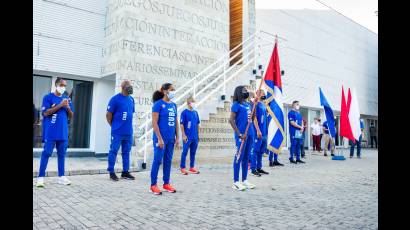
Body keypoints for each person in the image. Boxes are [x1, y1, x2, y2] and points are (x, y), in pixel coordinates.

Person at [36, 78, 74, 187]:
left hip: (62, 132)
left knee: (62, 155)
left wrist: (67, 107)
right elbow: (45, 113)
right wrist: (60, 105)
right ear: (56, 84)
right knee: (46, 153)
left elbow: (71, 115)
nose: (63, 87)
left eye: (65, 86)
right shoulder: (48, 97)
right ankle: (40, 178)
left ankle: (61, 177)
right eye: (61, 85)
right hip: (51, 132)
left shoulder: (67, 99)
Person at [150, 83, 180, 195]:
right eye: (172, 90)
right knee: (157, 161)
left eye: (174, 89)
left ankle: (166, 184)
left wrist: (178, 137)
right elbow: (154, 123)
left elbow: (176, 122)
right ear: (165, 91)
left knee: (168, 161)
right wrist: (159, 139)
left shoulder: (173, 105)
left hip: (171, 139)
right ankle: (153, 185)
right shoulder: (158, 104)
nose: (173, 92)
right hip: (160, 139)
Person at [106, 80, 136, 181]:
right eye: (128, 85)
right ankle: (111, 172)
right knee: (113, 151)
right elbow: (108, 114)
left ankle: (125, 172)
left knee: (126, 152)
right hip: (117, 131)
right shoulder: (115, 99)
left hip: (128, 132)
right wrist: (113, 126)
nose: (130, 87)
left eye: (130, 85)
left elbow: (131, 113)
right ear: (123, 87)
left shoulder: (131, 99)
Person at [229, 85, 256, 191]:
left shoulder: (248, 104)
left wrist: (254, 106)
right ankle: (236, 181)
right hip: (242, 135)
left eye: (247, 90)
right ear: (239, 92)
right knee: (239, 157)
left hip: (250, 133)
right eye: (245, 90)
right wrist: (239, 133)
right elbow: (231, 120)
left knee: (246, 157)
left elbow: (252, 118)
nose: (247, 92)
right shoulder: (236, 105)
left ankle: (244, 179)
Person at [250, 89, 269, 176]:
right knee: (255, 150)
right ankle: (253, 168)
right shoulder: (255, 105)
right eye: (263, 94)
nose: (264, 95)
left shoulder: (263, 104)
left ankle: (259, 167)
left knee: (261, 151)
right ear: (258, 94)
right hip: (258, 132)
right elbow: (254, 118)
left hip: (264, 132)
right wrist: (258, 130)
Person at [180, 96, 200, 175]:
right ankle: (182, 168)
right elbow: (181, 124)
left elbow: (197, 124)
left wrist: (198, 135)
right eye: (193, 102)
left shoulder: (195, 112)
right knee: (184, 152)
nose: (194, 104)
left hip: (194, 136)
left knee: (193, 152)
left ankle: (191, 167)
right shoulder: (184, 112)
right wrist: (184, 135)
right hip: (187, 136)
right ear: (189, 103)